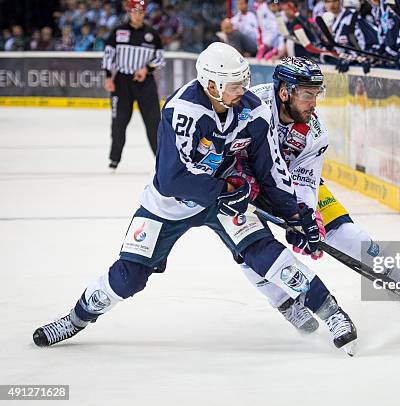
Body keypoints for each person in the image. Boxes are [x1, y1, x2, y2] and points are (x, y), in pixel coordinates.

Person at [32, 42, 358, 356]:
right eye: (234, 85)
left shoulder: (252, 110)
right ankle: (76, 317)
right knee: (129, 276)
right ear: (211, 84)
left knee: (263, 253)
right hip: (170, 205)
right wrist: (224, 192)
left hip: (223, 202)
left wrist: (296, 214)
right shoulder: (182, 110)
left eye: (243, 81)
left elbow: (269, 168)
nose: (242, 90)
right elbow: (172, 178)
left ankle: (331, 312)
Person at [242, 56, 400, 334]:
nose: (314, 103)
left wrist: (303, 216)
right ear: (284, 92)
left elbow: (305, 181)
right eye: (307, 94)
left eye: (317, 94)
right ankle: (285, 302)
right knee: (247, 249)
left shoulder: (315, 132)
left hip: (288, 184)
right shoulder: (251, 105)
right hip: (247, 186)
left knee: (349, 235)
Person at [102, 0, 164, 170]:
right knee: (118, 123)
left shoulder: (152, 34)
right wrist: (108, 77)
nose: (138, 15)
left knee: (154, 123)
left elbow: (160, 59)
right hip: (121, 82)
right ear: (129, 12)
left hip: (145, 83)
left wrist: (146, 69)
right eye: (135, 12)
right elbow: (108, 54)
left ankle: (162, 160)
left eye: (141, 12)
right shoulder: (118, 31)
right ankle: (114, 159)